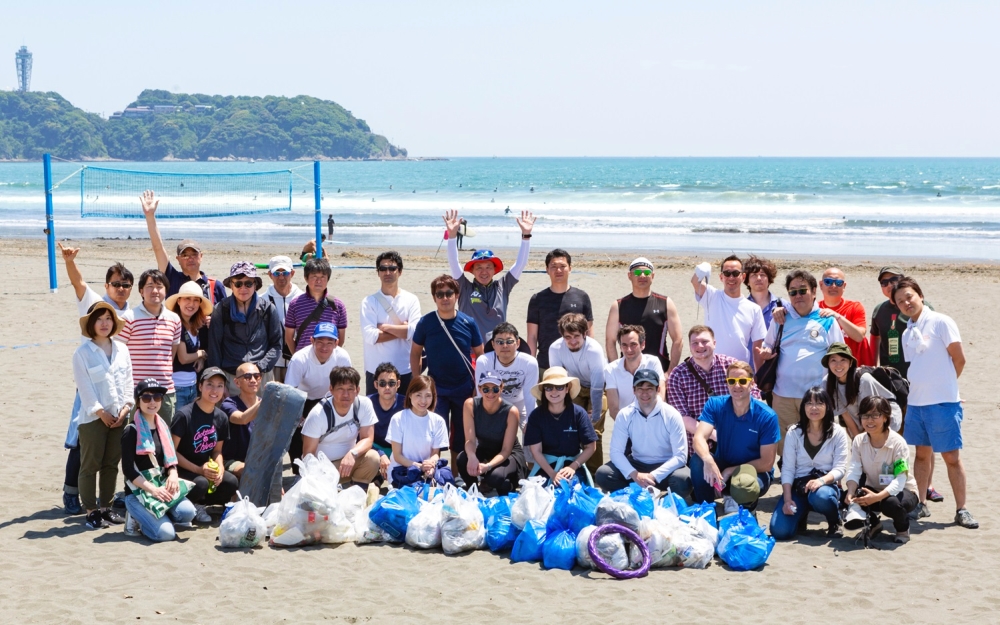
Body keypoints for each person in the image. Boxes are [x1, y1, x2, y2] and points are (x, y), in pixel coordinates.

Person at [892, 277, 977, 528]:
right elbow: (916, 364)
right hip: (916, 403)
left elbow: (959, 359)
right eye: (899, 301)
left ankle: (961, 509)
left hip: (943, 403)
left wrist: (947, 387)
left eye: (909, 296)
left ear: (920, 294)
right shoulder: (908, 330)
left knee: (951, 456)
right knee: (921, 456)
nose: (906, 302)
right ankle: (922, 503)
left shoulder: (941, 321)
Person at [57, 242, 134, 515]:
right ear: (107, 285)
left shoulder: (131, 313)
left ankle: (107, 503)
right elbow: (77, 282)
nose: (121, 288)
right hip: (90, 388)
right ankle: (71, 493)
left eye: (126, 284)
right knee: (81, 443)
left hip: (117, 391)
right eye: (116, 284)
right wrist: (68, 261)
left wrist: (127, 402)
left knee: (110, 455)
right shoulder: (93, 302)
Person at [870, 266, 944, 504]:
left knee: (924, 441)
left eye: (894, 280)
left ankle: (928, 485)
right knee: (892, 434)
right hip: (889, 383)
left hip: (918, 382)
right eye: (884, 282)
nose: (889, 285)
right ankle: (893, 481)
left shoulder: (921, 307)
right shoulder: (879, 311)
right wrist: (872, 371)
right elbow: (875, 342)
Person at [756, 269, 844, 457]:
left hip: (815, 396)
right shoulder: (780, 318)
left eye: (802, 290)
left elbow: (839, 355)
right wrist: (766, 352)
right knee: (784, 442)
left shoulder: (827, 320)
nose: (798, 296)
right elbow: (768, 344)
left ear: (814, 291)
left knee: (818, 438)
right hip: (783, 394)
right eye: (793, 292)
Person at [72, 302, 132, 529]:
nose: (104, 323)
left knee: (111, 464)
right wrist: (100, 412)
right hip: (93, 420)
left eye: (108, 318)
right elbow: (84, 389)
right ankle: (90, 511)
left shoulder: (122, 349)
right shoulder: (82, 353)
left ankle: (106, 508)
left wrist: (126, 407)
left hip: (120, 416)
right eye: (99, 319)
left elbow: (128, 382)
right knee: (90, 465)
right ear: (91, 324)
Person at [691, 361, 780, 512]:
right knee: (698, 459)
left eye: (742, 381)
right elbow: (699, 438)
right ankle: (706, 510)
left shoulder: (767, 416)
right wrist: (708, 460)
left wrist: (730, 471)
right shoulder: (715, 404)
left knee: (743, 485)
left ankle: (745, 510)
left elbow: (766, 463)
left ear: (752, 384)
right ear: (727, 383)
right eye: (732, 381)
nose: (736, 386)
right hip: (723, 463)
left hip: (754, 471)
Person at [411, 274, 484, 455]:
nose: (445, 298)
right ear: (434, 297)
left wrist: (478, 386)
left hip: (464, 388)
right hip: (436, 390)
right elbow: (415, 353)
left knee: (461, 437)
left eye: (449, 293)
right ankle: (433, 473)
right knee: (433, 435)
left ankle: (455, 475)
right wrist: (417, 380)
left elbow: (481, 356)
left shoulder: (469, 323)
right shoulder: (425, 322)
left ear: (456, 295)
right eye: (440, 294)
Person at [121, 378, 198, 542]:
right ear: (138, 401)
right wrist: (153, 490)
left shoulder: (162, 426)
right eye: (146, 398)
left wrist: (172, 473)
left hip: (161, 485)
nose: (152, 402)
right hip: (138, 492)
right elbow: (128, 470)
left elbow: (169, 461)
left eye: (157, 397)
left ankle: (160, 516)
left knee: (188, 513)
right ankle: (137, 519)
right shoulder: (131, 430)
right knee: (166, 534)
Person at [768, 387, 850, 540]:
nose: (814, 408)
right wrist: (787, 499)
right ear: (803, 407)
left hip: (825, 485)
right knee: (779, 531)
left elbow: (840, 468)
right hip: (799, 487)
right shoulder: (794, 432)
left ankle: (834, 521)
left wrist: (821, 481)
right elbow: (787, 468)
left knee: (821, 497)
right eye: (809, 403)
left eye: (819, 403)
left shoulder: (837, 432)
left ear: (827, 406)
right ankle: (801, 514)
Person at [594, 370, 692, 496]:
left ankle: (662, 500)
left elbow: (681, 456)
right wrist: (635, 474)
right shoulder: (624, 415)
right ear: (633, 390)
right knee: (603, 474)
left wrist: (653, 475)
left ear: (658, 389)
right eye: (640, 388)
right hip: (637, 463)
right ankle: (635, 495)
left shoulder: (672, 415)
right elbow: (615, 452)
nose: (644, 393)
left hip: (666, 465)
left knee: (683, 480)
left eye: (649, 388)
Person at [443, 209, 534, 343]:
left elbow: (520, 264)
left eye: (488, 267)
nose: (483, 272)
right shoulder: (464, 287)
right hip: (471, 349)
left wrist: (526, 236)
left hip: (498, 349)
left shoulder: (503, 286)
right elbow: (453, 263)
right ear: (472, 271)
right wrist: (452, 236)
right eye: (478, 267)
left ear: (494, 270)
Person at [667, 325, 761, 454]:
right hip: (701, 447)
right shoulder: (677, 375)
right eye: (695, 343)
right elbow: (682, 417)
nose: (700, 346)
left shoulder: (730, 365)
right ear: (690, 346)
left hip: (738, 439)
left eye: (705, 341)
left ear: (714, 343)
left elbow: (755, 396)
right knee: (702, 472)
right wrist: (717, 435)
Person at [844, 396, 920, 543]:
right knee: (845, 497)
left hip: (903, 491)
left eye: (875, 415)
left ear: (885, 417)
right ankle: (874, 524)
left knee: (891, 504)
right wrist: (851, 492)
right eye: (865, 416)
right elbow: (854, 469)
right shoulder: (859, 441)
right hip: (873, 488)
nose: (869, 420)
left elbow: (900, 479)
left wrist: (877, 497)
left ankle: (902, 530)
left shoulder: (898, 443)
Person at [170, 367, 239, 523]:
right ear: (200, 386)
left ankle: (201, 504)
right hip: (180, 469)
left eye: (220, 385)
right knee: (200, 483)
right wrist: (198, 470)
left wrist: (220, 468)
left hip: (205, 468)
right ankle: (187, 506)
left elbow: (217, 451)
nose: (214, 390)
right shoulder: (184, 415)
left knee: (230, 482)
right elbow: (170, 453)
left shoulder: (221, 417)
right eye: (210, 384)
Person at [206, 262, 283, 395]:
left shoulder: (268, 309)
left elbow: (276, 345)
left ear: (255, 285)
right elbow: (214, 348)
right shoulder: (221, 309)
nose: (243, 288)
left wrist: (258, 368)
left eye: (248, 284)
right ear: (231, 285)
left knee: (262, 415)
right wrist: (218, 382)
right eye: (238, 284)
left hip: (261, 378)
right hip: (231, 378)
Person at [301, 367, 381, 489]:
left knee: (373, 458)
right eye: (340, 389)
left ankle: (356, 494)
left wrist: (352, 454)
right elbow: (308, 455)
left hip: (350, 462)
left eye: (350, 389)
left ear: (357, 390)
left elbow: (368, 439)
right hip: (322, 470)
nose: (346, 394)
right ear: (331, 389)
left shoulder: (363, 404)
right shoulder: (318, 414)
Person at [119, 269, 182, 424]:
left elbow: (171, 353)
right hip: (136, 391)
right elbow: (119, 354)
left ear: (166, 290)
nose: (155, 291)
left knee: (164, 438)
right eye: (149, 286)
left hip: (165, 391)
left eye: (159, 286)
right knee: (134, 438)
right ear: (141, 291)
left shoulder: (174, 319)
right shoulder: (129, 318)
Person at [285, 322, 353, 467]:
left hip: (330, 398)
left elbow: (348, 386)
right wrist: (297, 417)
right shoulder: (299, 359)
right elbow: (289, 393)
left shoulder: (342, 357)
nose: (324, 347)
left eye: (329, 343)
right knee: (295, 432)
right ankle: (299, 471)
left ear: (337, 343)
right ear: (312, 341)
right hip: (302, 400)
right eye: (320, 342)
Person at [548, 313, 607, 475]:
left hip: (599, 387)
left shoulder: (594, 350)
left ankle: (595, 472)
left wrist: (594, 415)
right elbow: (558, 381)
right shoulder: (555, 348)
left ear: (585, 334)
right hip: (575, 386)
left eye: (576, 336)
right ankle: (572, 467)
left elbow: (597, 387)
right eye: (568, 337)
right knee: (570, 428)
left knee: (593, 431)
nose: (572, 341)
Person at [140, 190, 227, 302]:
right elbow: (158, 248)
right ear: (178, 259)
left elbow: (224, 317)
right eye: (185, 255)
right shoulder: (171, 278)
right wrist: (150, 215)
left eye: (194, 254)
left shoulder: (214, 286)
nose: (190, 258)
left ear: (201, 256)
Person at [604, 257, 683, 373]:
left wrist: (669, 372)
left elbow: (678, 340)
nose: (642, 276)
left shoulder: (665, 303)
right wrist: (616, 371)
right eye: (637, 272)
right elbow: (610, 341)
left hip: (659, 371)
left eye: (646, 272)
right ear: (629, 276)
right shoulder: (618, 306)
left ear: (653, 276)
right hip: (628, 372)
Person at [457, 371, 527, 495]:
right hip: (485, 449)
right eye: (486, 389)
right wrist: (472, 457)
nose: (490, 393)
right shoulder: (470, 404)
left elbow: (506, 450)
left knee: (495, 478)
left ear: (501, 388)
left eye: (495, 389)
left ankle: (508, 483)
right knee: (462, 459)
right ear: (479, 389)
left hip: (509, 454)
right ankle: (474, 490)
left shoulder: (511, 411)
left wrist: (488, 466)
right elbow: (470, 440)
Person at [360, 251, 421, 394]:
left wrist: (386, 328)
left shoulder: (411, 300)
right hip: (375, 370)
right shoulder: (368, 302)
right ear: (378, 273)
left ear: (400, 272)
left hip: (405, 369)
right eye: (383, 269)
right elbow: (370, 336)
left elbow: (416, 331)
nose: (387, 272)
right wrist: (402, 330)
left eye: (392, 268)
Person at [524, 367, 597, 485]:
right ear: (543, 390)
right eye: (549, 387)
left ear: (567, 389)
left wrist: (573, 467)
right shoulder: (536, 415)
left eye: (559, 387)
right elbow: (536, 451)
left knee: (571, 489)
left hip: (572, 463)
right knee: (537, 495)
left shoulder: (579, 413)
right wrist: (552, 474)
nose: (554, 392)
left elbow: (591, 446)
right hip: (546, 465)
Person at [526, 249, 594, 371]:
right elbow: (532, 336)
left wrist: (590, 360)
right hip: (545, 364)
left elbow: (589, 333)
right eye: (553, 266)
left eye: (562, 266)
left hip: (577, 366)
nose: (558, 270)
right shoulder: (537, 299)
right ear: (547, 270)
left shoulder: (582, 297)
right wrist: (531, 365)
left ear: (570, 268)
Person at [691, 254, 766, 365]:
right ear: (721, 277)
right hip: (712, 368)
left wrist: (759, 377)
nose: (731, 278)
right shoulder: (712, 296)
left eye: (735, 273)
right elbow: (695, 281)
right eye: (727, 273)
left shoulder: (754, 309)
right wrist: (703, 267)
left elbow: (757, 349)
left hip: (739, 370)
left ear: (743, 277)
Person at [822, 342, 901, 439]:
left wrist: (863, 440)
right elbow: (845, 413)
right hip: (860, 419)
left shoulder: (863, 380)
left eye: (843, 360)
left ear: (851, 363)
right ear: (828, 363)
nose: (838, 365)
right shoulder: (827, 382)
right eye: (833, 360)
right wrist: (857, 439)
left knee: (878, 450)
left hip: (883, 417)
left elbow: (871, 412)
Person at [386, 375, 452, 488]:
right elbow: (397, 456)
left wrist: (430, 464)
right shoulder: (398, 418)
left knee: (446, 478)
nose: (423, 401)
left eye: (428, 396)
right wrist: (418, 466)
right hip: (402, 470)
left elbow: (435, 454)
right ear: (410, 395)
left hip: (426, 470)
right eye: (418, 395)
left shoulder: (438, 421)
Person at [474, 322, 538, 428]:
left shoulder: (529, 362)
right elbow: (481, 394)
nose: (504, 346)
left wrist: (530, 423)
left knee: (533, 430)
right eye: (499, 342)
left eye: (509, 341)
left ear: (518, 343)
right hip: (494, 403)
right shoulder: (484, 361)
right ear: (493, 344)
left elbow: (530, 396)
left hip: (521, 404)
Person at [284, 256, 348, 354]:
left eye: (323, 277)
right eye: (314, 277)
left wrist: (330, 356)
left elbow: (341, 339)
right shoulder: (295, 304)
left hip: (329, 361)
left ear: (328, 279)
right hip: (303, 361)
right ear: (306, 278)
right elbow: (289, 337)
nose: (318, 281)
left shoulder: (338, 305)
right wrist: (297, 356)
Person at [165, 281, 211, 409]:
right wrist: (201, 354)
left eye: (196, 300)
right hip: (177, 387)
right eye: (187, 299)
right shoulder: (176, 323)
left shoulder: (196, 325)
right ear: (178, 301)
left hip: (192, 385)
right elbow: (183, 358)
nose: (191, 304)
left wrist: (201, 358)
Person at [604, 325, 665, 421]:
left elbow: (660, 396)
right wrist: (632, 427)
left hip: (652, 420)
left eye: (633, 344)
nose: (629, 350)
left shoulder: (653, 362)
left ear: (643, 344)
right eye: (624, 345)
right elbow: (613, 409)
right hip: (625, 423)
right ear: (620, 347)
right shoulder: (610, 369)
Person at [218, 362, 264, 479]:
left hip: (259, 459)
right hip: (232, 460)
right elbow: (242, 419)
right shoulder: (228, 403)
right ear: (237, 382)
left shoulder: (265, 402)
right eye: (247, 377)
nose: (253, 380)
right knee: (248, 471)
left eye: (257, 376)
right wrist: (266, 400)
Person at [262, 255, 303, 384]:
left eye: (285, 272)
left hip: (297, 362)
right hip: (272, 362)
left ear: (292, 273)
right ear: (270, 274)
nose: (281, 277)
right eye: (276, 273)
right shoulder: (261, 300)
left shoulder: (303, 298)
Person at [367, 362, 407, 482]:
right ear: (376, 384)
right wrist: (380, 454)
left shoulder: (406, 404)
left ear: (398, 384)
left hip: (399, 449)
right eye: (382, 383)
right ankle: (375, 478)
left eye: (392, 383)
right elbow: (360, 438)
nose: (387, 387)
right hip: (373, 448)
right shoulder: (367, 403)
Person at [817, 267, 868, 360]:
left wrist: (837, 316)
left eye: (838, 283)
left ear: (844, 286)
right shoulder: (815, 309)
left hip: (853, 365)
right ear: (821, 285)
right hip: (827, 365)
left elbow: (859, 336)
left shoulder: (854, 307)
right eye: (828, 282)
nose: (833, 286)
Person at [743, 254, 781, 330]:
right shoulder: (742, 307)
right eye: (754, 275)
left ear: (769, 280)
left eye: (762, 275)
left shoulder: (782, 305)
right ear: (747, 281)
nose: (759, 278)